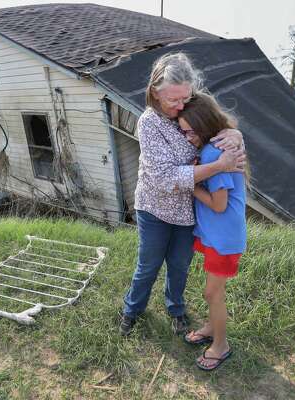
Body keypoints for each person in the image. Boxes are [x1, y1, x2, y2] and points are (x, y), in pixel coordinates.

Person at [119, 53, 246, 336]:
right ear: (155, 92)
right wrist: (217, 166)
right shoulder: (149, 123)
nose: (179, 107)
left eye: (185, 99)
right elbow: (165, 178)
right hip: (154, 206)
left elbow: (218, 125)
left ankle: (176, 309)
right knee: (148, 264)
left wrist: (235, 135)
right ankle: (132, 309)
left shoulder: (192, 106)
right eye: (172, 100)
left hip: (188, 210)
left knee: (179, 265)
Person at [178, 93, 247, 371]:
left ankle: (221, 345)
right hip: (215, 233)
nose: (187, 137)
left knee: (212, 293)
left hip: (224, 235)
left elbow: (219, 204)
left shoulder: (212, 153)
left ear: (205, 125)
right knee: (212, 291)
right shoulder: (213, 147)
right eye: (183, 132)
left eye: (190, 131)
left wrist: (190, 184)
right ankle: (210, 326)